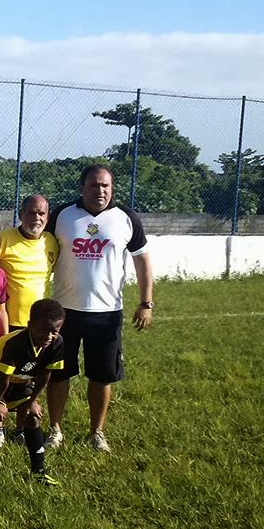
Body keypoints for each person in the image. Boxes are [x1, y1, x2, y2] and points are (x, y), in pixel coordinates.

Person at [44, 165, 154, 453]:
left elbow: (142, 260)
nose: (101, 190)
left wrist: (146, 302)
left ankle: (97, 432)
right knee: (58, 372)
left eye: (106, 185)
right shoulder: (62, 215)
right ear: (82, 187)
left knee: (102, 375)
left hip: (107, 313)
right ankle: (55, 429)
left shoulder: (126, 218)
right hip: (64, 311)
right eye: (94, 185)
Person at [0, 299, 65, 487]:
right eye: (42, 330)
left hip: (20, 379)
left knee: (32, 417)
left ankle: (39, 471)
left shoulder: (57, 343)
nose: (48, 336)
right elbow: (2, 379)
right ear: (30, 326)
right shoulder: (16, 344)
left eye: (54, 331)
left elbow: (45, 373)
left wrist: (32, 400)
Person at [0, 195, 59, 330]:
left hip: (42, 320)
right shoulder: (3, 239)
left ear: (47, 217)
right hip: (10, 321)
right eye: (31, 213)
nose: (37, 217)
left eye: (41, 213)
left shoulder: (51, 241)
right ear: (20, 215)